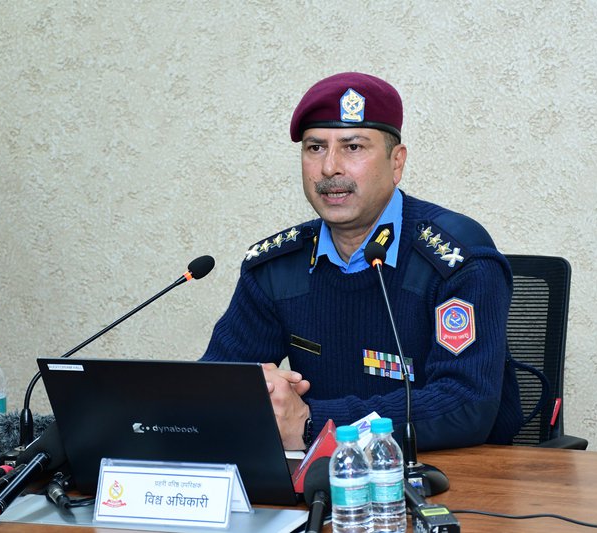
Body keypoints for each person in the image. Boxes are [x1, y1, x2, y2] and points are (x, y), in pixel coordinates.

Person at [201, 72, 522, 451]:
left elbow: (466, 403)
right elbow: (217, 384)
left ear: (396, 162)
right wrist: (257, 391)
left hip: (453, 472)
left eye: (353, 147)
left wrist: (315, 424)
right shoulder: (276, 266)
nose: (330, 168)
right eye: (315, 148)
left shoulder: (456, 259)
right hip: (323, 474)